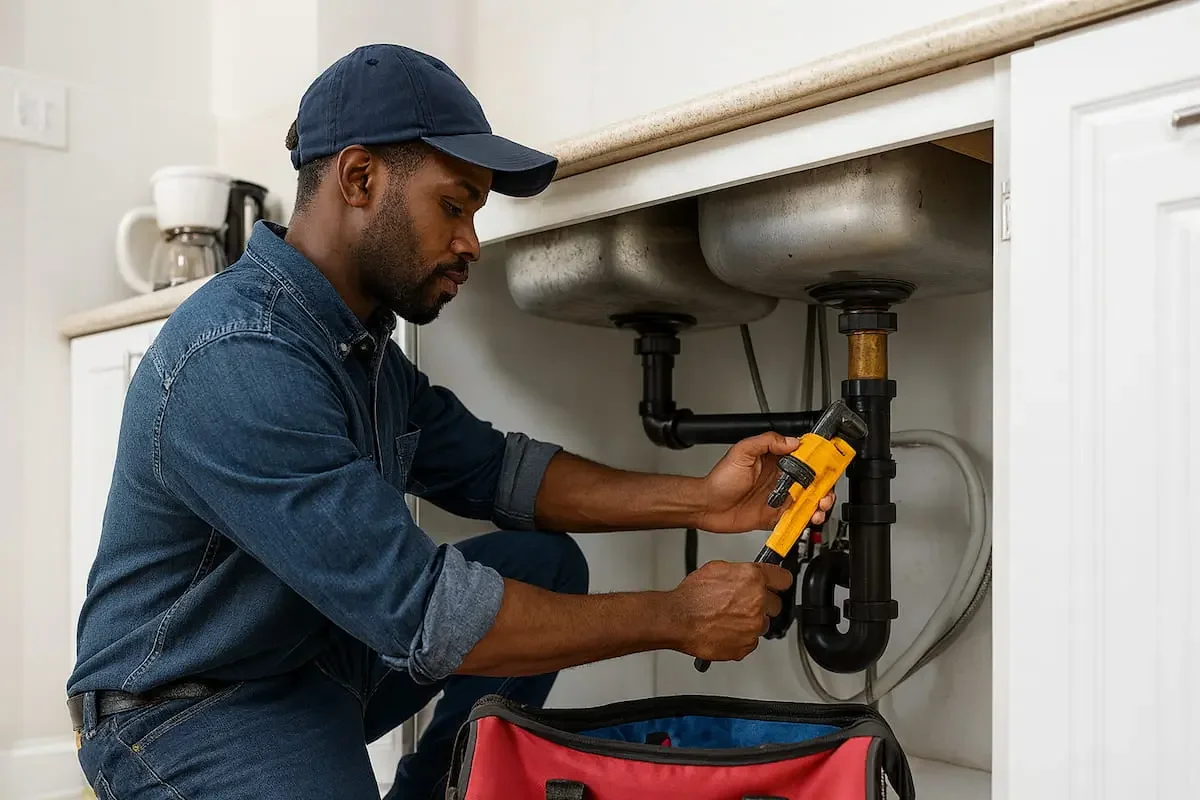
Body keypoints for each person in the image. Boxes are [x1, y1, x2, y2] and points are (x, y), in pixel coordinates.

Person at [65, 44, 834, 800]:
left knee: (544, 564)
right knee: (454, 614)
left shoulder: (352, 344)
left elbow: (500, 473)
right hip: (189, 706)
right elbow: (426, 613)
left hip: (314, 655)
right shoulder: (238, 358)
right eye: (454, 205)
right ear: (359, 177)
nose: (470, 242)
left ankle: (436, 790)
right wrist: (676, 616)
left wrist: (704, 499)